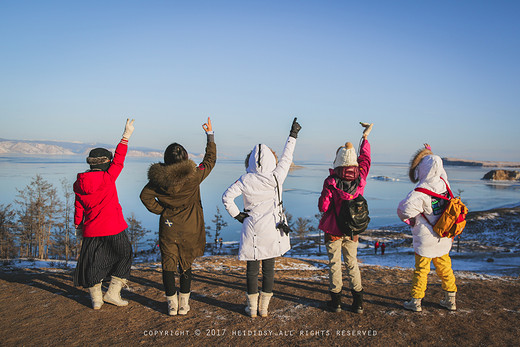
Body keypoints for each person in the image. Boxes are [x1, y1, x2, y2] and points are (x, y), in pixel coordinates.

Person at [222, 118, 301, 318]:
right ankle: (264, 308)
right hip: (272, 229)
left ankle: (251, 308)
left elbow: (226, 197)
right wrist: (293, 135)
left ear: (250, 162)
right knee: (268, 269)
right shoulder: (277, 176)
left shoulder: (245, 179)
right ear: (270, 161)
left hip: (252, 228)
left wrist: (238, 215)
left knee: (251, 270)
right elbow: (286, 157)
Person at [140, 118, 216, 316]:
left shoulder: (158, 181)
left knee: (168, 264)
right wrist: (210, 135)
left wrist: (162, 211)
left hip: (169, 226)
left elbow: (145, 196)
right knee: (186, 263)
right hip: (190, 227)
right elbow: (210, 161)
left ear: (166, 159)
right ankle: (184, 305)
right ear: (185, 158)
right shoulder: (194, 175)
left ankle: (171, 305)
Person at [73, 119, 135, 310]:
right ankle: (113, 293)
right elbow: (119, 159)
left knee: (94, 262)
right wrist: (126, 136)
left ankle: (96, 300)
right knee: (125, 255)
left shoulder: (79, 184)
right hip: (114, 228)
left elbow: (78, 208)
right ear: (106, 163)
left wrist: (78, 226)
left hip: (91, 230)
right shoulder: (108, 178)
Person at [318, 122, 373, 314]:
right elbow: (365, 159)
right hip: (352, 229)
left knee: (335, 264)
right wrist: (365, 138)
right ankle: (357, 303)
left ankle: (337, 302)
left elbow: (323, 206)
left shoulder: (331, 181)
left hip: (333, 230)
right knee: (352, 263)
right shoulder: (361, 179)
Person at [397, 144, 457, 312]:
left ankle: (416, 301)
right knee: (445, 268)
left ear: (422, 170)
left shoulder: (420, 193)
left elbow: (403, 211)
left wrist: (410, 220)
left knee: (421, 270)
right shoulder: (445, 184)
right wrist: (431, 152)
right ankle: (450, 299)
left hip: (425, 240)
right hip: (443, 236)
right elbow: (440, 171)